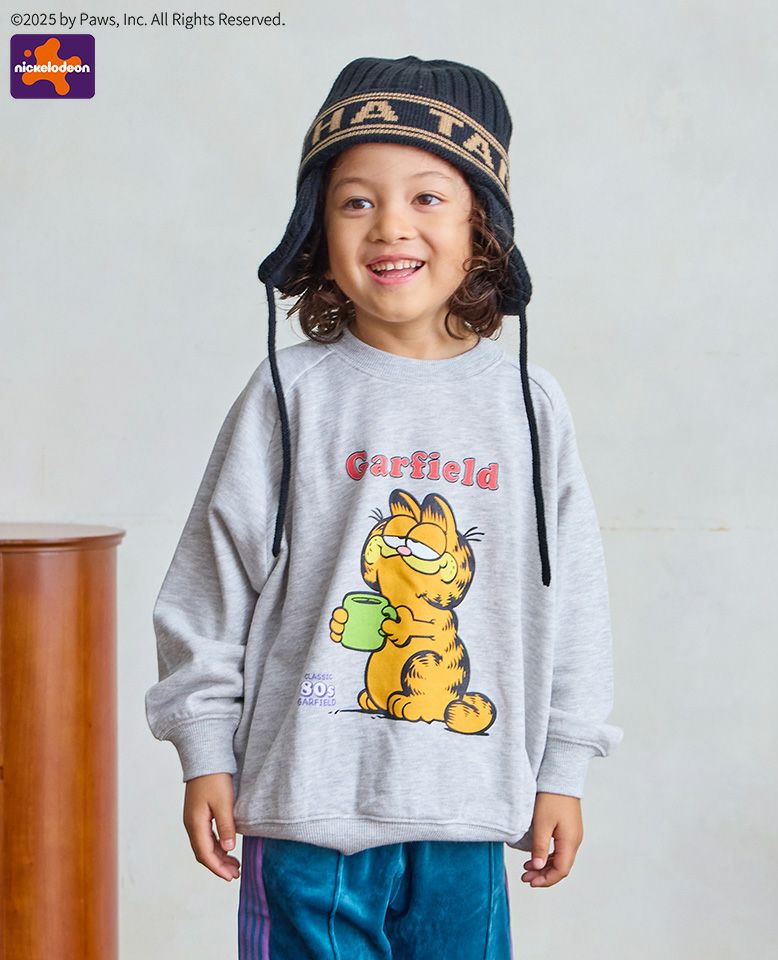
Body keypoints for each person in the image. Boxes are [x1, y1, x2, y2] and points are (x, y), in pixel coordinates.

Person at [145, 55, 624, 959]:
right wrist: (203, 746)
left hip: (469, 812)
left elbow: (575, 603)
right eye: (355, 201)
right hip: (301, 812)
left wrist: (565, 766)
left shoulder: (528, 405)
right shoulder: (289, 393)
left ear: (483, 227)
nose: (389, 226)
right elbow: (212, 586)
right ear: (317, 230)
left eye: (427, 198)